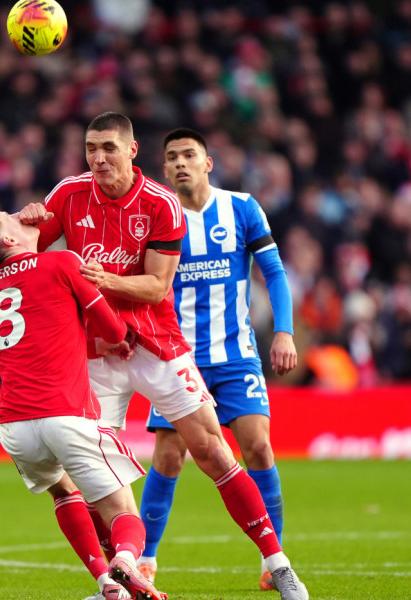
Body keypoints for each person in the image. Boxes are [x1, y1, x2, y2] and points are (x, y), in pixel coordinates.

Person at [18, 112, 308, 600]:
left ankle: (277, 564)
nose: (99, 158)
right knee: (92, 474)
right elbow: (27, 254)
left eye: (109, 147)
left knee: (214, 450)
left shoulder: (161, 204)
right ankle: (120, 577)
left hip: (157, 343)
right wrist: (22, 226)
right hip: (98, 353)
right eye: (91, 148)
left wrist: (101, 280)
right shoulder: (68, 194)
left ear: (131, 151)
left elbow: (156, 286)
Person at [0, 205, 164, 600]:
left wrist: (34, 225)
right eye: (12, 217)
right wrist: (117, 332)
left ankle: (106, 584)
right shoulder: (62, 263)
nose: (22, 214)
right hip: (65, 412)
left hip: (15, 425)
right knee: (124, 510)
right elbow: (113, 329)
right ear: (8, 239)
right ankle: (124, 562)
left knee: (64, 493)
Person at [136, 127, 298, 592]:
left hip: (235, 356)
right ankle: (147, 559)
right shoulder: (154, 216)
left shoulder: (242, 208)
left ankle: (273, 560)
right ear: (164, 169)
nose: (181, 162)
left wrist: (283, 330)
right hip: (176, 357)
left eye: (190, 154)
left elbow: (274, 272)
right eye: (172, 157)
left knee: (259, 448)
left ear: (208, 163)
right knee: (168, 456)